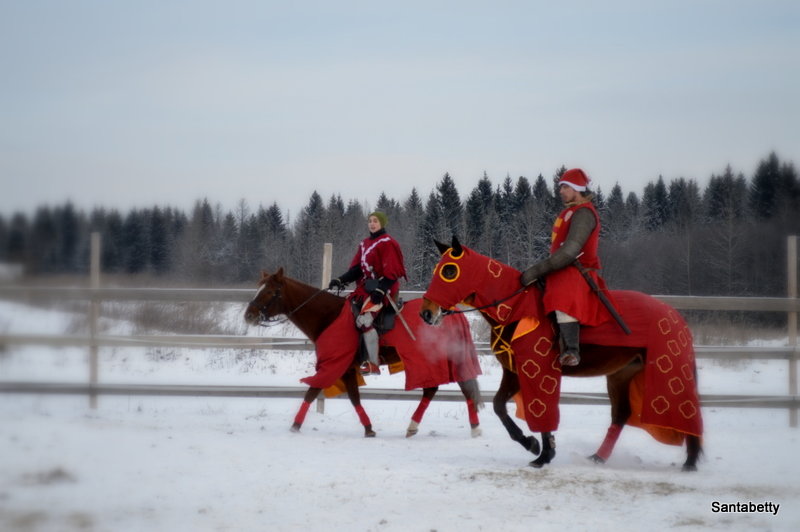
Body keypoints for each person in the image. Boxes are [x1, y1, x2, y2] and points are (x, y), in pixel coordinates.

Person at [519, 168, 612, 366]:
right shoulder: (569, 211)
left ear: (578, 189)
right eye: (561, 186)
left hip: (577, 271)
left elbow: (569, 252)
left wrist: (536, 270)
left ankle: (572, 350)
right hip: (562, 268)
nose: (561, 191)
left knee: (563, 298)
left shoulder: (584, 213)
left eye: (566, 187)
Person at [328, 211, 406, 375]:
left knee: (364, 320)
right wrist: (340, 280)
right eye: (370, 221)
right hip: (366, 288)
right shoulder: (364, 244)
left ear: (382, 223)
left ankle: (373, 363)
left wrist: (381, 289)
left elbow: (392, 272)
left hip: (385, 288)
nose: (372, 223)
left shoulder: (388, 242)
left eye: (376, 221)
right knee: (346, 314)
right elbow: (357, 269)